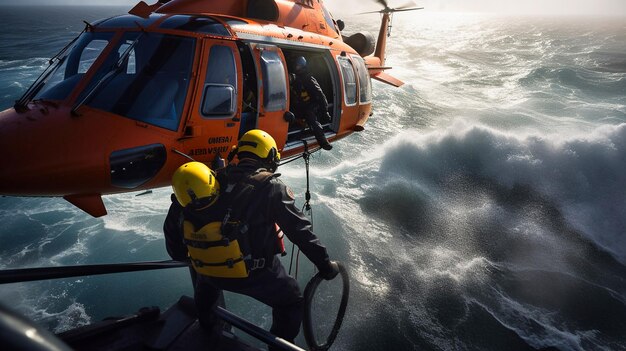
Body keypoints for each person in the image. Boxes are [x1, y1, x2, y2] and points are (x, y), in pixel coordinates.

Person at [163, 129, 339, 349]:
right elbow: (300, 232)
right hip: (255, 275)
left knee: (206, 283)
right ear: (271, 157)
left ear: (238, 152)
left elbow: (173, 227)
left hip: (208, 274)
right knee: (292, 301)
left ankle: (207, 328)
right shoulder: (271, 188)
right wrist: (325, 265)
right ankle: (278, 347)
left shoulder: (211, 180)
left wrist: (186, 256)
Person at [289, 56, 333, 150]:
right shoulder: (294, 79)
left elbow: (320, 95)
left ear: (302, 66)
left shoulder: (308, 79)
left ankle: (323, 141)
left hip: (311, 105)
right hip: (300, 106)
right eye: (295, 66)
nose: (296, 67)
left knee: (311, 118)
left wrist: (325, 111)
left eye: (298, 66)